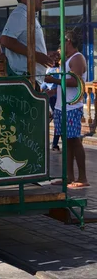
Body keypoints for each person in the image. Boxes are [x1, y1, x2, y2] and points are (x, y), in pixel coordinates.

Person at [48, 31, 89, 188]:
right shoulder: (67, 59)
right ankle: (69, 176)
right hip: (62, 106)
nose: (60, 46)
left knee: (74, 141)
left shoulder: (77, 58)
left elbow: (74, 82)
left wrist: (53, 80)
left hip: (72, 106)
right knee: (67, 141)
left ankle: (83, 178)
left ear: (69, 41)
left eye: (62, 42)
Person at [0, 0, 54, 81]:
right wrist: (36, 55)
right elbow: (5, 40)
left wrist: (45, 57)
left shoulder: (27, 15)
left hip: (29, 77)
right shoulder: (20, 14)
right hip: (23, 77)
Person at [41, 49, 61, 151]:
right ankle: (54, 144)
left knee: (56, 120)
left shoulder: (51, 70)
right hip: (55, 99)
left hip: (54, 98)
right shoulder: (56, 70)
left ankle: (54, 143)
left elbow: (43, 86)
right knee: (58, 121)